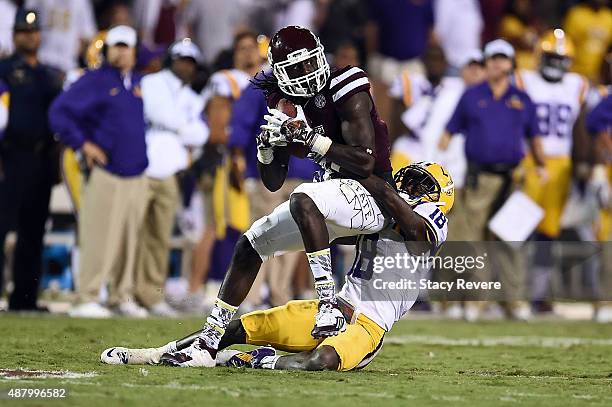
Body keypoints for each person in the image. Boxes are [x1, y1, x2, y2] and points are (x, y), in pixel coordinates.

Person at [159, 25, 393, 367]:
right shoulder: (281, 100)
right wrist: (267, 149)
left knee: (304, 198)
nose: (305, 73)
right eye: (294, 68)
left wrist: (309, 139)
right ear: (280, 72)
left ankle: (327, 304)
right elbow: (272, 180)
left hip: (372, 196)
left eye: (309, 63)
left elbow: (365, 159)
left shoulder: (346, 84)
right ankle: (209, 341)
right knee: (250, 243)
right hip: (329, 198)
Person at [102, 162, 454, 372]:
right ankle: (159, 352)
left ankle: (257, 361)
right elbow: (337, 232)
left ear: (440, 196)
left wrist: (374, 182)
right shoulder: (381, 214)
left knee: (321, 362)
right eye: (407, 180)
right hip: (330, 311)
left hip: (368, 327)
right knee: (238, 328)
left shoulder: (432, 220)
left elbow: (416, 232)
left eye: (420, 184)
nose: (407, 186)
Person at [438, 39, 547, 320]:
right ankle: (475, 301)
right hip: (479, 179)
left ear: (511, 64)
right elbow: (447, 134)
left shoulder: (522, 100)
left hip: (512, 179)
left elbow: (534, 138)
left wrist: (542, 165)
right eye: (493, 58)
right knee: (474, 242)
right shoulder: (471, 96)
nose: (497, 63)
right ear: (486, 63)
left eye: (503, 58)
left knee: (512, 241)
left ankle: (515, 301)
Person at [49, 25, 148, 318]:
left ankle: (121, 296)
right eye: (115, 46)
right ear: (107, 50)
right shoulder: (95, 80)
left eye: (125, 46)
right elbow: (59, 112)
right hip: (107, 172)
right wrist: (84, 145)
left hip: (137, 173)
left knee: (129, 240)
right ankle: (86, 297)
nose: (120, 51)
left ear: (133, 51)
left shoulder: (136, 83)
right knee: (98, 237)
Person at [183, 31, 263, 313]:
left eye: (250, 47)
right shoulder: (227, 79)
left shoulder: (265, 80)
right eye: (241, 48)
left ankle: (236, 290)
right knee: (218, 226)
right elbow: (218, 124)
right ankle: (202, 288)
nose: (247, 53)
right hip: (226, 161)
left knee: (245, 228)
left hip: (255, 165)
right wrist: (232, 156)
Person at [514, 29, 590, 313]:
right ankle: (513, 292)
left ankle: (538, 293)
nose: (556, 64)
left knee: (549, 230)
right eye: (551, 58)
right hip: (529, 160)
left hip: (561, 164)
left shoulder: (576, 85)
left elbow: (580, 126)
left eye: (561, 59)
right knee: (517, 227)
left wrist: (583, 162)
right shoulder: (525, 80)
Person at [137, 38, 209, 317]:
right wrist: (183, 126)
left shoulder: (192, 98)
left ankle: (150, 295)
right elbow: (155, 112)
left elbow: (202, 135)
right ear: (172, 60)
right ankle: (121, 291)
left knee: (159, 237)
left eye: (191, 62)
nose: (186, 66)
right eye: (182, 60)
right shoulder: (152, 82)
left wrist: (177, 125)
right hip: (142, 168)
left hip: (171, 173)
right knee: (132, 233)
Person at [0, 9, 62, 311]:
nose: (30, 36)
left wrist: (56, 164)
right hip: (9, 156)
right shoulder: (3, 70)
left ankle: (25, 299)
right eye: (24, 31)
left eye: (34, 31)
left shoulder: (50, 75)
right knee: (1, 227)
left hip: (40, 159)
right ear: (14, 35)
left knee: (33, 231)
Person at [586, 93, 612, 323]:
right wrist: (600, 172)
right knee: (608, 243)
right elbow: (594, 130)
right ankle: (605, 301)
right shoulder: (608, 102)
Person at [25, 0, 96, 73]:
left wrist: (74, 53)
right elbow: (26, 21)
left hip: (67, 65)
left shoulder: (81, 2)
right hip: (42, 59)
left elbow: (87, 36)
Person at [564, 0, 612, 83]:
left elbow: (609, 51)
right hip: (575, 73)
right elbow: (567, 45)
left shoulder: (609, 17)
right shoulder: (577, 14)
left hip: (598, 77)